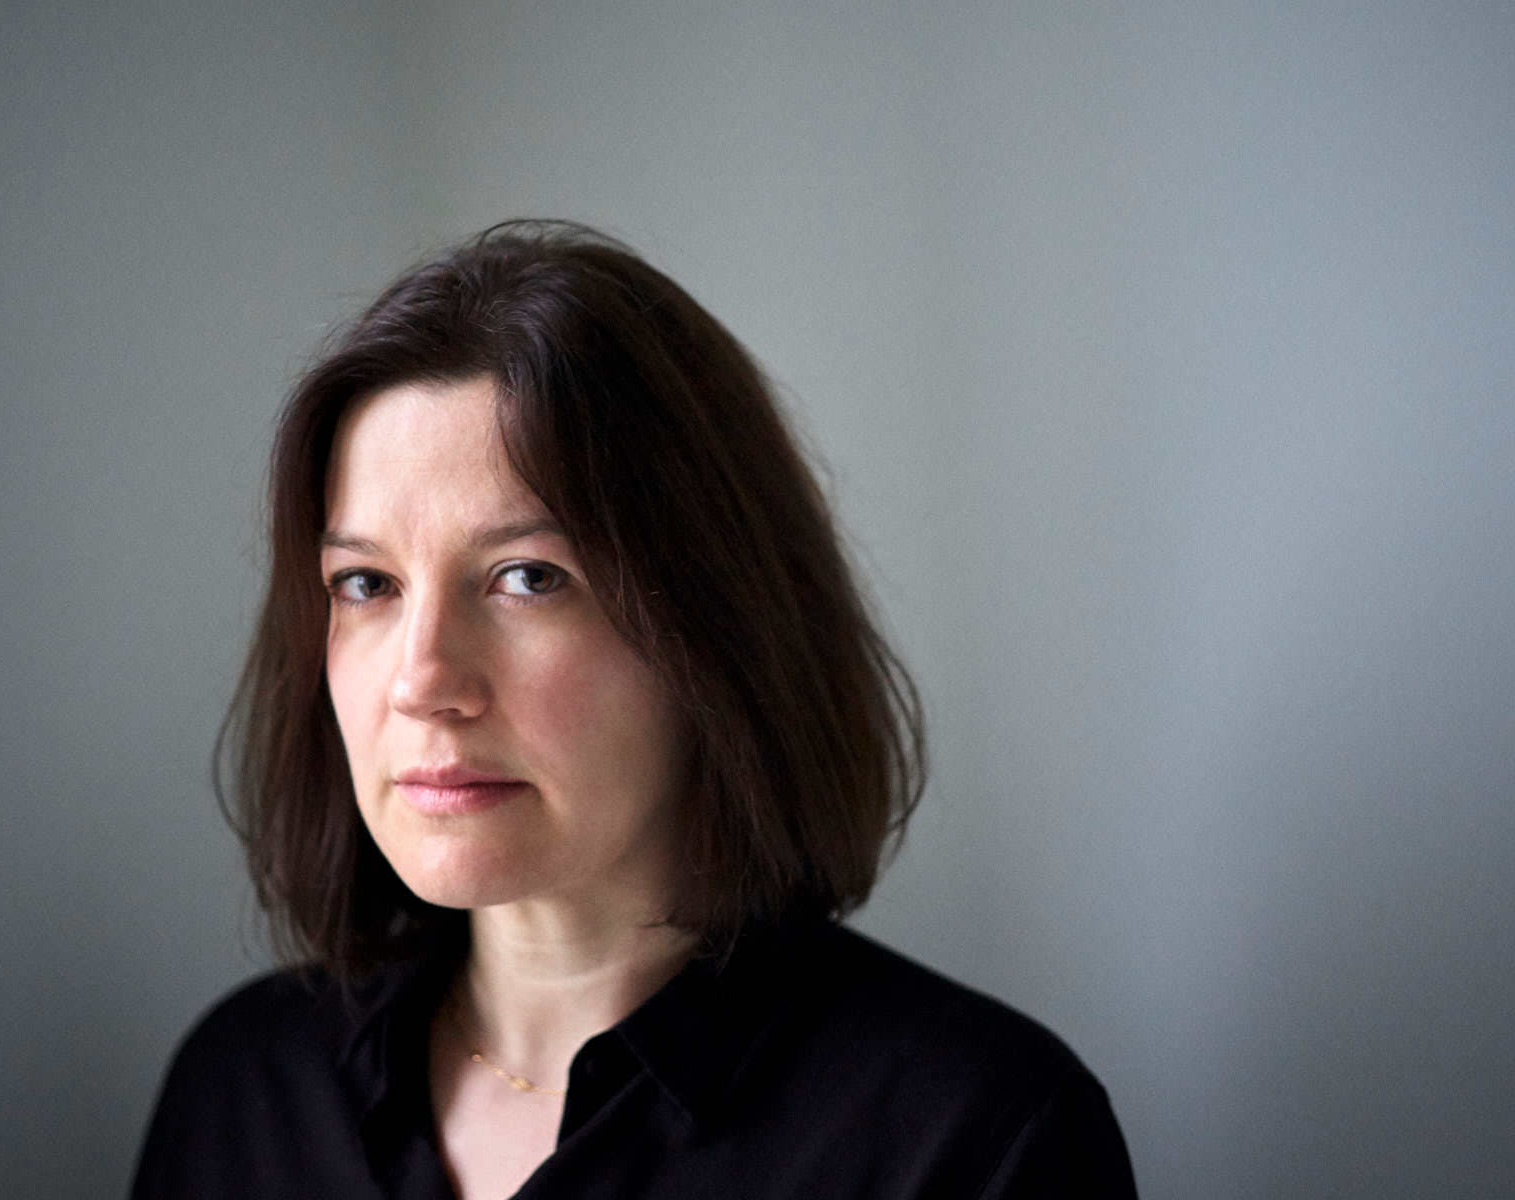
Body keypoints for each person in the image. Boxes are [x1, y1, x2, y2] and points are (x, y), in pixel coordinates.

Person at [131, 221, 1138, 1199]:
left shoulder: (977, 1134)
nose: (421, 679)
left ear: (717, 627)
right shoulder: (241, 1090)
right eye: (365, 585)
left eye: (528, 577)